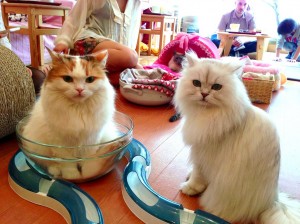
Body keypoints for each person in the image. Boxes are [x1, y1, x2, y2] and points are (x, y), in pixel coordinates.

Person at [53, 0, 144, 73]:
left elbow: (131, 32)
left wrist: (126, 62)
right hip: (87, 43)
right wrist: (63, 41)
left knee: (138, 71)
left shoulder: (137, 2)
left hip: (112, 54)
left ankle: (82, 75)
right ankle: (73, 65)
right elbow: (74, 18)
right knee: (131, 57)